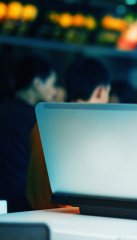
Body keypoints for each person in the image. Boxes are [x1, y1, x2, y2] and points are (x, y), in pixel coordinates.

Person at [26, 56, 111, 210]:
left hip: (35, 215)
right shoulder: (91, 129)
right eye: (107, 93)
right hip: (70, 219)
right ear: (100, 91)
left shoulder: (41, 122)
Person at [0, 53, 57, 212]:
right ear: (37, 83)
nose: (53, 91)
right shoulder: (39, 121)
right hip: (24, 203)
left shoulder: (3, 109)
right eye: (52, 84)